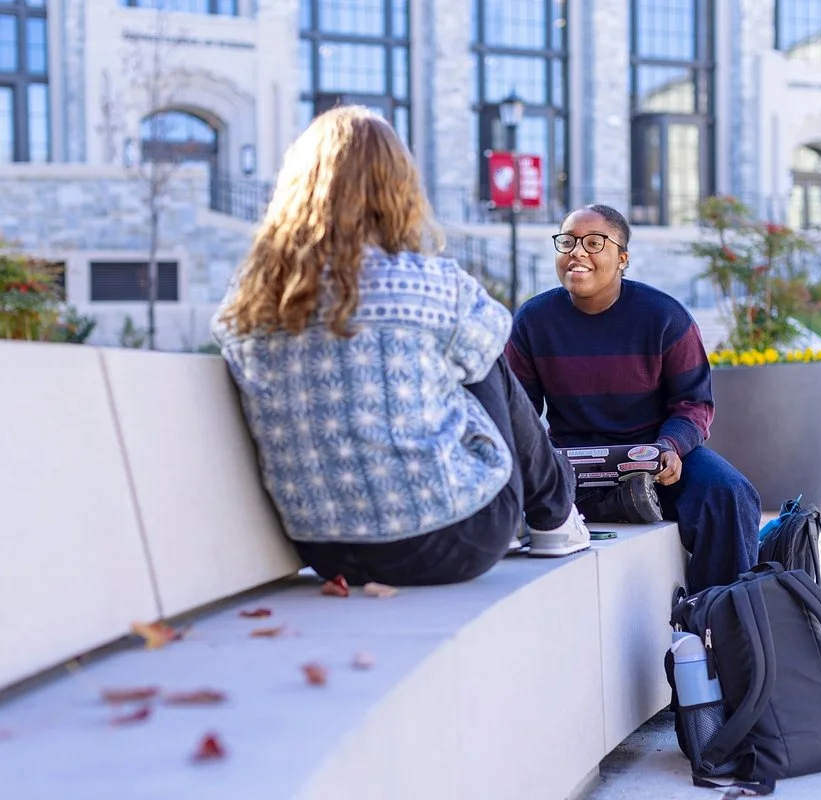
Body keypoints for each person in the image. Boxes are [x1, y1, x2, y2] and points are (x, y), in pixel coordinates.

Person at [211, 106, 590, 587]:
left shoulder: (251, 297)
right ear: (399, 189)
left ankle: (552, 508)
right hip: (457, 538)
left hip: (323, 548)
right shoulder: (433, 285)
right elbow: (493, 358)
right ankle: (556, 515)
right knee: (484, 352)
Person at [505, 203, 759, 594]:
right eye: (567, 242)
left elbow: (694, 403)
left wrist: (670, 447)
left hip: (656, 457)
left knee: (728, 492)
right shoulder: (533, 321)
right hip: (571, 462)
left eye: (594, 243)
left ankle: (718, 620)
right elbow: (517, 410)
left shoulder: (664, 317)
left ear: (622, 258)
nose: (577, 252)